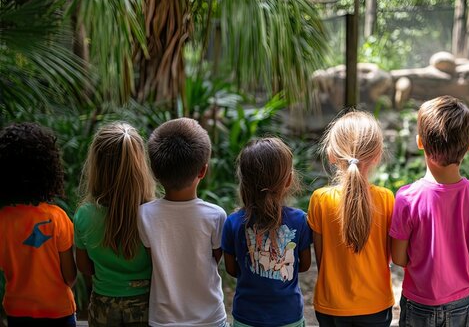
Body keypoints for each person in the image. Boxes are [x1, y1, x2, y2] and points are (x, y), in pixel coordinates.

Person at [390, 95, 469, 327]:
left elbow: (398, 258)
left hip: (418, 303)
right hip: (460, 303)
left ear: (420, 142)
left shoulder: (406, 197)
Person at [308, 111, 395, 327]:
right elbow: (390, 256)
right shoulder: (386, 198)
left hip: (332, 305)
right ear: (377, 156)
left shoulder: (320, 200)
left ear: (331, 154)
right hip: (376, 304)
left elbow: (322, 259)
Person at [138, 118, 227, 327]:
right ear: (203, 171)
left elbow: (154, 259)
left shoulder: (144, 214)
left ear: (155, 173)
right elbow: (216, 259)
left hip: (163, 320)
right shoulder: (216, 216)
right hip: (210, 319)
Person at [222, 137, 312, 327]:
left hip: (246, 316)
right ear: (288, 180)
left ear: (244, 181)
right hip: (289, 316)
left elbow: (232, 269)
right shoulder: (299, 220)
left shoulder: (233, 223)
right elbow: (304, 265)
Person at [74, 122, 156, 326]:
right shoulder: (153, 214)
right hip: (147, 304)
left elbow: (84, 267)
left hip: (103, 304)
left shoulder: (84, 215)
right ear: (140, 166)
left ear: (96, 165)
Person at [0, 122, 76, 327]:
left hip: (17, 313)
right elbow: (70, 277)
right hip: (59, 313)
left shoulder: (2, 220)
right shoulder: (58, 218)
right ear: (48, 168)